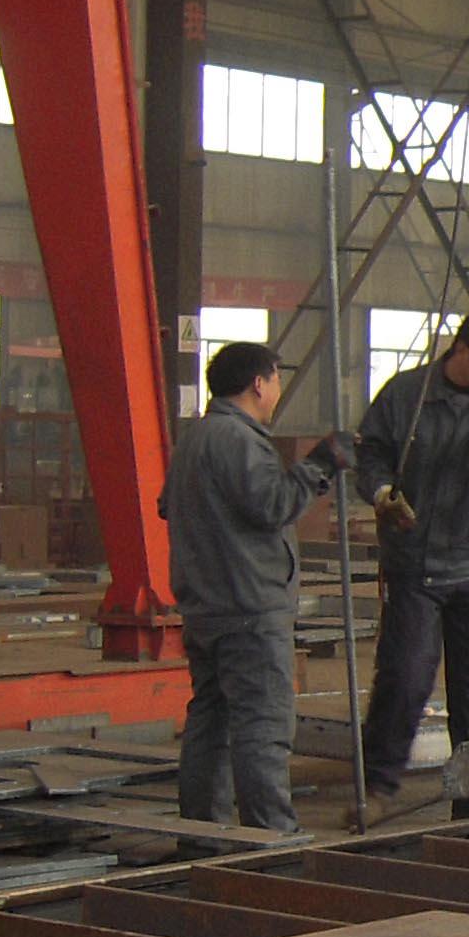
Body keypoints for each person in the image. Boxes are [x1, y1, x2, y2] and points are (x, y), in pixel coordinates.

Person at [353, 303, 469, 804]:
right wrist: (381, 493)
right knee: (405, 676)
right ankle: (377, 784)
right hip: (415, 565)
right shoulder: (406, 394)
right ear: (461, 348)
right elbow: (369, 453)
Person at [160, 339, 340, 832]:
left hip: (206, 608)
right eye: (277, 379)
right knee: (262, 726)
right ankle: (270, 837)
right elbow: (273, 505)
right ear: (259, 384)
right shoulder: (239, 440)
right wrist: (319, 465)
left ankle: (202, 834)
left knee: (210, 724)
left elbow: (169, 505)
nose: (278, 389)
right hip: (249, 608)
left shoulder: (195, 438)